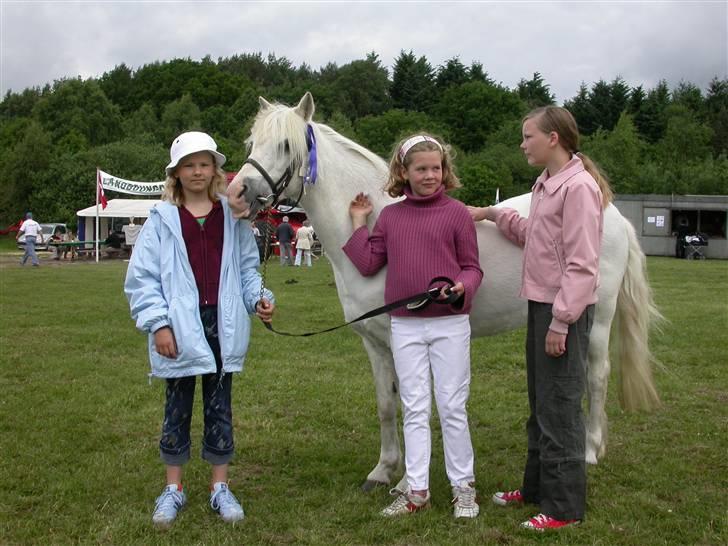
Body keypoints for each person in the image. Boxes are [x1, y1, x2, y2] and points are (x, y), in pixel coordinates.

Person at [468, 106, 610, 531]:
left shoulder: (579, 188)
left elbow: (583, 263)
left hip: (563, 308)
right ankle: (535, 490)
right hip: (542, 304)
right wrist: (494, 214)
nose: (522, 143)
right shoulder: (547, 185)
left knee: (561, 406)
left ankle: (564, 508)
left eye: (528, 136)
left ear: (553, 139)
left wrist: (562, 321)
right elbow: (538, 237)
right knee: (541, 403)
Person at [124, 131, 275, 529]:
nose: (197, 171)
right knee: (176, 410)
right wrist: (158, 324)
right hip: (178, 330)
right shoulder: (161, 221)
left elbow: (246, 269)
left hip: (222, 328)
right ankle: (173, 489)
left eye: (204, 163)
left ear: (215, 170)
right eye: (189, 165)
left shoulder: (233, 217)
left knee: (219, 409)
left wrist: (258, 297)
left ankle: (219, 487)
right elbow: (142, 279)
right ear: (176, 173)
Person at [343, 133, 483, 518]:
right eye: (421, 169)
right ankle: (416, 490)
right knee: (415, 407)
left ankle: (463, 487)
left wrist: (461, 288)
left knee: (453, 406)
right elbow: (369, 262)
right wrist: (358, 223)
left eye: (436, 168)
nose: (430, 176)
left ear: (445, 170)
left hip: (450, 324)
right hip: (404, 326)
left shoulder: (456, 213)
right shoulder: (390, 216)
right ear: (403, 172)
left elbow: (472, 267)